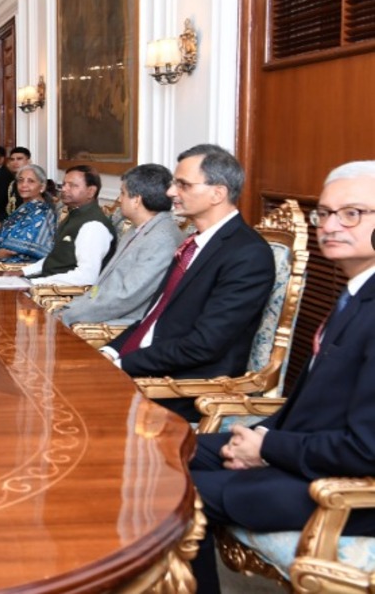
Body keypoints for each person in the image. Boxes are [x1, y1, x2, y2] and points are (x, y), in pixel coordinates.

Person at [188, 160, 375, 593]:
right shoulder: (356, 292)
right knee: (165, 451)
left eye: (352, 213)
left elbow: (367, 449)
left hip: (347, 488)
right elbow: (314, 404)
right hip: (307, 454)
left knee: (174, 494)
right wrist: (261, 438)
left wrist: (268, 447)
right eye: (325, 213)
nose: (330, 225)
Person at [102, 144, 275, 420]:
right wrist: (109, 352)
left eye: (182, 185)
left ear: (217, 193)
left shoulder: (247, 254)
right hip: (147, 364)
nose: (171, 193)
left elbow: (204, 345)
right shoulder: (193, 242)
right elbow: (153, 317)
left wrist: (122, 364)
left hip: (184, 388)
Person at [58, 163, 184, 326]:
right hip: (96, 310)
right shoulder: (137, 228)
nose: (120, 199)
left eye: (123, 193)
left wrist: (70, 315)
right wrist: (69, 308)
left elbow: (126, 297)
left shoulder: (162, 239)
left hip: (124, 324)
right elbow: (105, 284)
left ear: (137, 200)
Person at [15, 165, 117, 285]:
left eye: (72, 185)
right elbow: (56, 258)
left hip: (63, 294)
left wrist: (36, 282)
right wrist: (23, 272)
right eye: (63, 184)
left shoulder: (93, 225)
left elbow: (86, 277)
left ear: (91, 191)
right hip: (46, 283)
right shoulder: (75, 214)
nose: (64, 189)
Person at [0, 164, 57, 263]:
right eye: (21, 180)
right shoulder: (25, 207)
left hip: (20, 266)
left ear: (42, 187)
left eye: (31, 181)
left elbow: (12, 250)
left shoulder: (41, 212)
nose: (24, 185)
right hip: (0, 259)